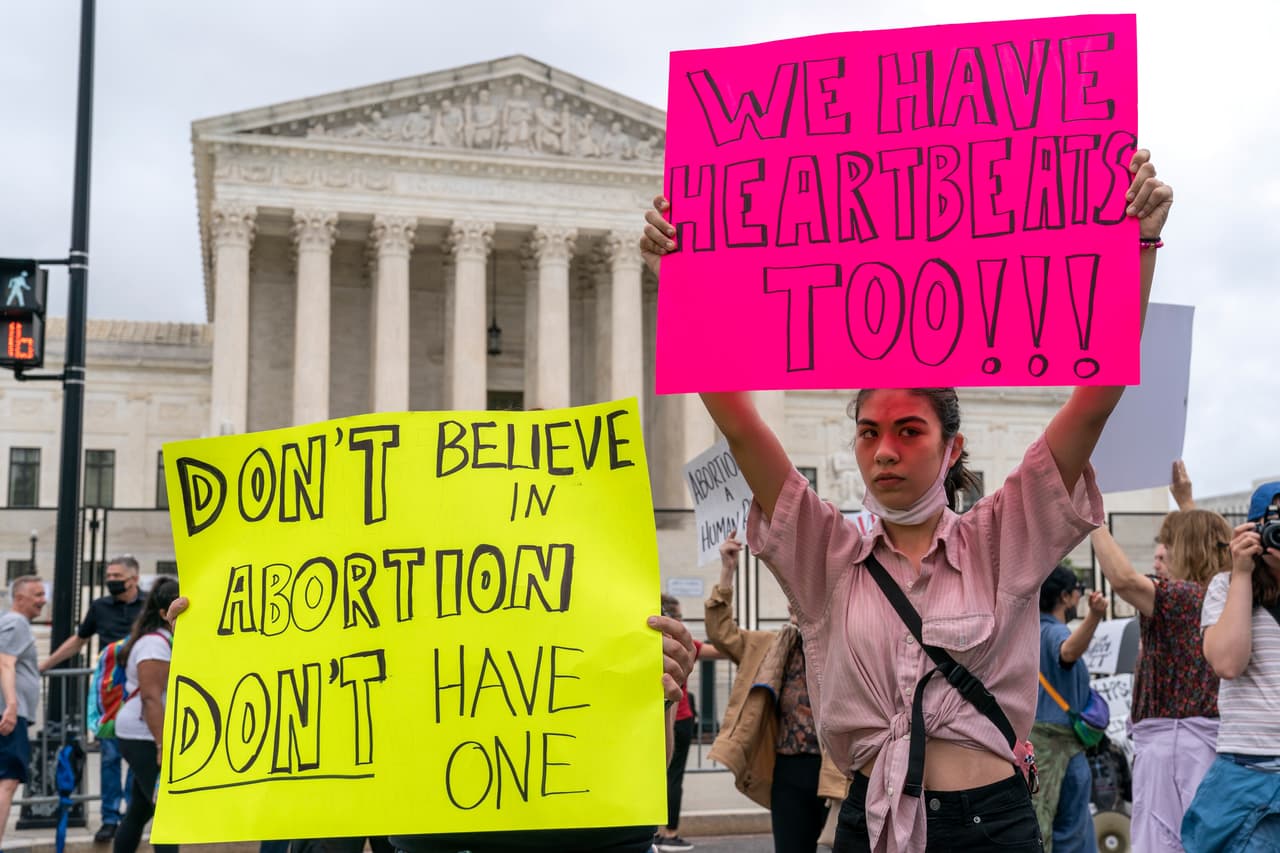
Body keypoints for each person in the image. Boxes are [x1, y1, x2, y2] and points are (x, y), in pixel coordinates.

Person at [638, 148, 1171, 853]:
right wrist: (679, 282)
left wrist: (1138, 243)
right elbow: (739, 424)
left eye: (908, 431)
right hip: (871, 823)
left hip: (992, 827)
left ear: (951, 449)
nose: (883, 450)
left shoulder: (1000, 536)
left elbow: (1097, 395)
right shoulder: (825, 552)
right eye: (868, 432)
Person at [162, 595, 696, 853]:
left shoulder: (620, 605)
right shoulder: (414, 606)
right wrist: (217, 635)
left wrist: (666, 699)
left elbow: (654, 764)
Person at [1090, 479, 1227, 851]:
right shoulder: (1221, 594)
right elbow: (1209, 544)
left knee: (1159, 841)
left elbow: (1122, 579)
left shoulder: (1182, 597)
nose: (1161, 555)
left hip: (1173, 746)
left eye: (1169, 547)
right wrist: (1186, 504)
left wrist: (1092, 517)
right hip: (1203, 744)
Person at [705, 532, 846, 853]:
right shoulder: (769, 646)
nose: (793, 603)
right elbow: (721, 633)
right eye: (791, 597)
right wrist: (728, 570)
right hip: (788, 771)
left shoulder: (842, 645)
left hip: (834, 771)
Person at [1181, 482, 1280, 849]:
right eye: (1276, 522)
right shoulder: (1227, 585)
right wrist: (1241, 572)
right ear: (1252, 530)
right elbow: (1226, 662)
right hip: (1248, 766)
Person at [40, 555, 144, 843]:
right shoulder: (99, 607)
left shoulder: (148, 606)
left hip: (141, 689)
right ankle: (109, 817)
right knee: (110, 755)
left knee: (137, 756)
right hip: (110, 693)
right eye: (108, 575)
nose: (110, 579)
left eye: (116, 575)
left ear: (133, 579)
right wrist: (47, 664)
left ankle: (131, 813)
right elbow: (80, 639)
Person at [1032, 567, 1107, 852]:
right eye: (1078, 590)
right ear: (1065, 597)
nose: (1080, 597)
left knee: (1043, 825)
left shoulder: (1028, 632)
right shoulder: (1054, 630)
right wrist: (1095, 616)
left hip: (1038, 752)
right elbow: (1067, 653)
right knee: (1072, 834)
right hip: (1062, 752)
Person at [656, 592, 725, 852]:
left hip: (674, 715)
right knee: (673, 777)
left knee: (662, 777)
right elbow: (718, 650)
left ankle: (660, 831)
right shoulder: (683, 644)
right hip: (681, 717)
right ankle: (670, 832)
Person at [113, 576, 179, 853]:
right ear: (164, 613)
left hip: (142, 733)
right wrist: (162, 745)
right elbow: (151, 697)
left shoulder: (158, 640)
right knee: (166, 812)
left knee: (140, 810)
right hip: (145, 736)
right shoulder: (155, 645)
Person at [0, 576, 46, 852]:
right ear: (20, 598)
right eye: (38, 595)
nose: (43, 599)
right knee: (8, 780)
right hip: (8, 716)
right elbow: (5, 662)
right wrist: (12, 705)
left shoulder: (11, 623)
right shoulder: (15, 622)